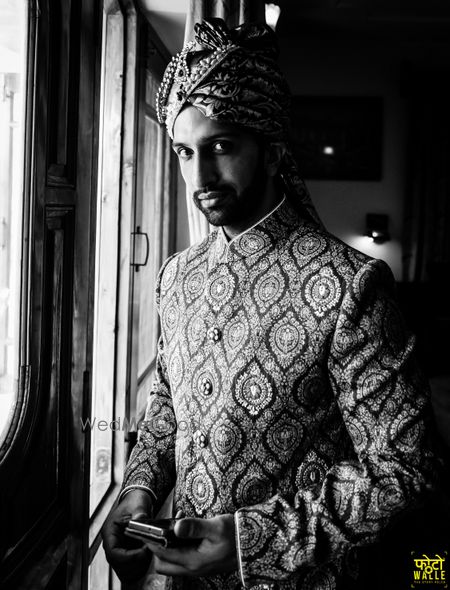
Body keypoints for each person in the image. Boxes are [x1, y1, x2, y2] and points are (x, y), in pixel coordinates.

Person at [102, 18, 443, 590]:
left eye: (221, 147)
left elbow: (408, 469)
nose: (200, 176)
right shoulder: (177, 277)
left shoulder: (348, 286)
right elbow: (168, 402)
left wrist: (247, 539)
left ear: (273, 148)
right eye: (185, 153)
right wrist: (137, 492)